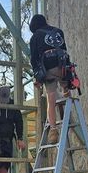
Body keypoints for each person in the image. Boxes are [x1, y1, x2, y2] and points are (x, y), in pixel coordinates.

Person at [29, 14, 70, 144]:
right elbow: (64, 50)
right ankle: (66, 100)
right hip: (64, 67)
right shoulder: (58, 32)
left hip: (50, 70)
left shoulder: (35, 36)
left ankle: (53, 130)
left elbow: (34, 59)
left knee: (51, 99)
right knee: (65, 88)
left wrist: (38, 78)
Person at [0, 84, 26, 173]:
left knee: (5, 166)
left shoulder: (12, 106)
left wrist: (20, 138)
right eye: (1, 99)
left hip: (7, 140)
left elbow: (19, 122)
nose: (3, 101)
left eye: (5, 99)